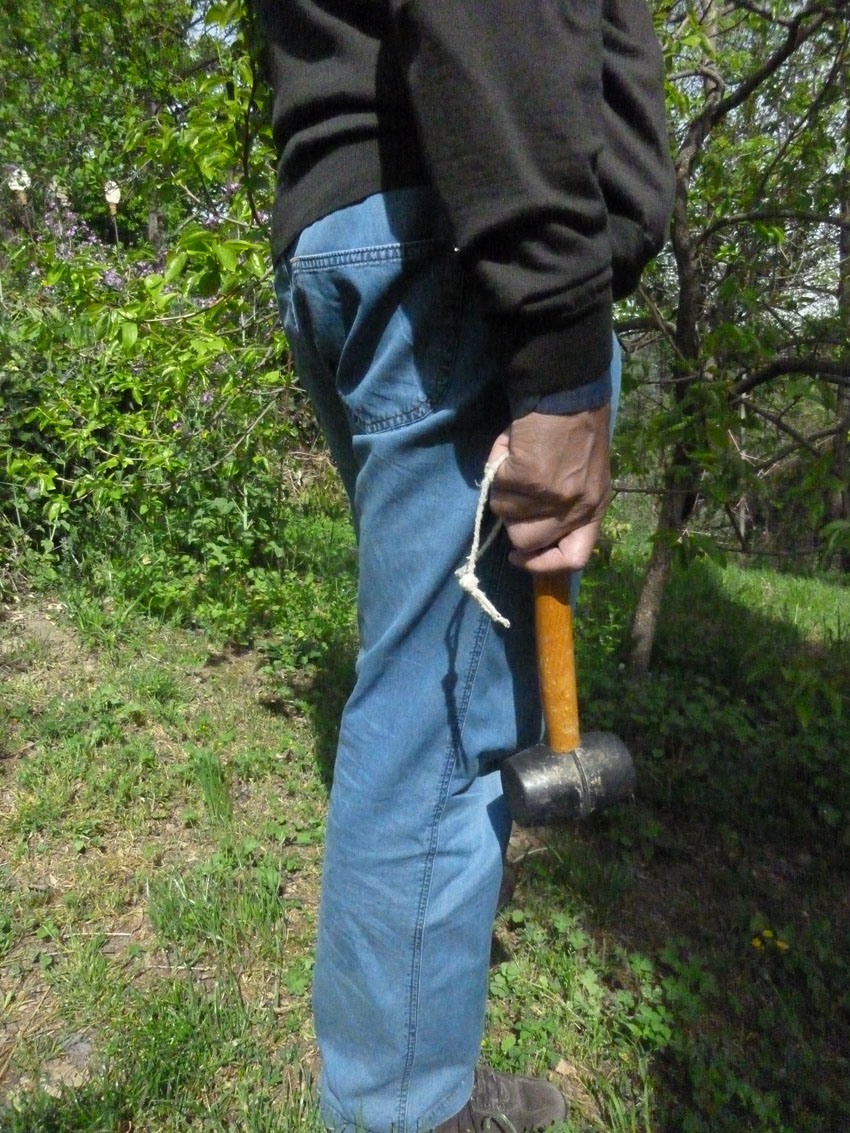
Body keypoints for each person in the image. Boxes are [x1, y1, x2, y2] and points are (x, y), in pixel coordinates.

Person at [251, 2, 674, 1130]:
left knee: (417, 706)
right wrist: (558, 333)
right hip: (460, 237)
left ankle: (415, 1073)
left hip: (373, 221)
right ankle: (399, 1109)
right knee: (441, 735)